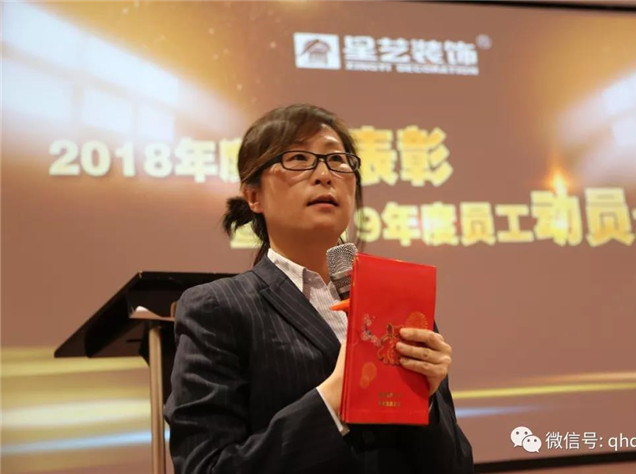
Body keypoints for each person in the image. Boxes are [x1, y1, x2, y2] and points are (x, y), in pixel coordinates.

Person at [164, 104, 474, 473]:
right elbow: (206, 466)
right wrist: (333, 399)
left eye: (337, 160)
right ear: (253, 196)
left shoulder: (398, 303)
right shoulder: (218, 308)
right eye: (298, 159)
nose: (325, 175)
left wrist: (427, 402)